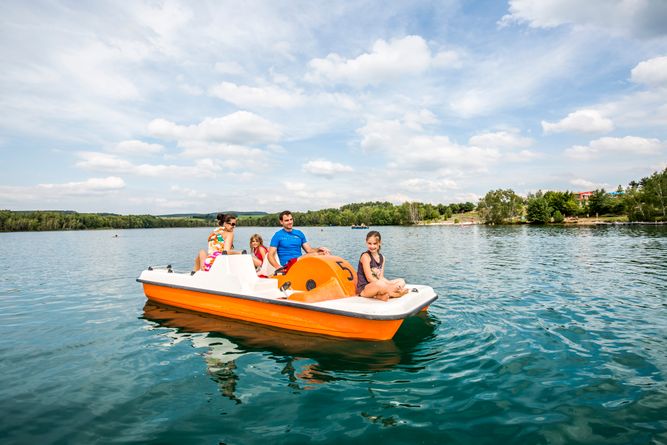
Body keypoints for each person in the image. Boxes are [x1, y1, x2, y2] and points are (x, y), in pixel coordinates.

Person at [356, 230, 409, 301]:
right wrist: (388, 286)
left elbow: (381, 277)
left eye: (375, 243)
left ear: (379, 243)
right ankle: (394, 294)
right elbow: (369, 278)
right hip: (365, 289)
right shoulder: (366, 256)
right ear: (366, 242)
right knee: (381, 284)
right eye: (369, 243)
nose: (372, 246)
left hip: (379, 285)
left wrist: (390, 283)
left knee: (401, 281)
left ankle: (379, 296)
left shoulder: (382, 258)